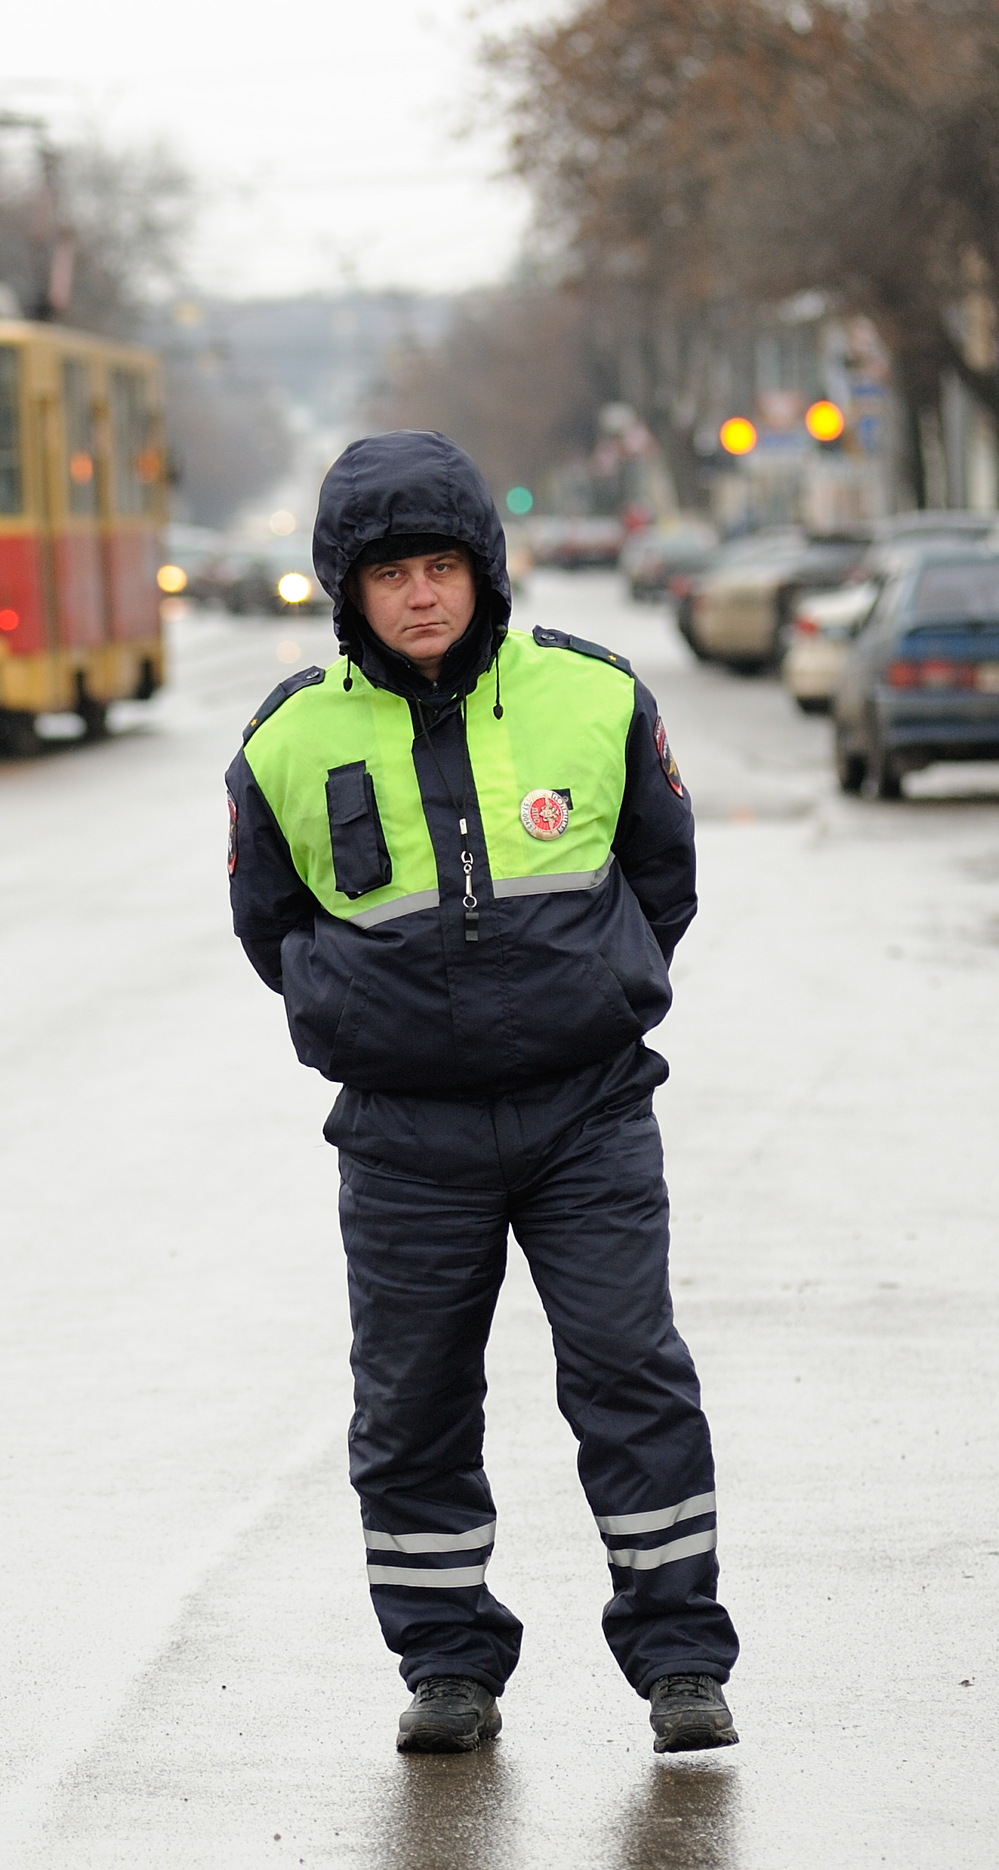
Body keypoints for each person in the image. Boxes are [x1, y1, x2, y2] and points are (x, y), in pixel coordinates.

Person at [225, 431, 739, 1756]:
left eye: (442, 567)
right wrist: (365, 1016)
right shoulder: (288, 737)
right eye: (392, 574)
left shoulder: (594, 694)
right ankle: (448, 1666)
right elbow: (269, 925)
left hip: (590, 1116)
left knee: (631, 1376)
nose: (421, 596)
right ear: (349, 588)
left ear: (484, 570)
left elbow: (663, 876)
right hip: (404, 1139)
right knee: (413, 1406)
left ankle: (681, 1661)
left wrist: (596, 989)